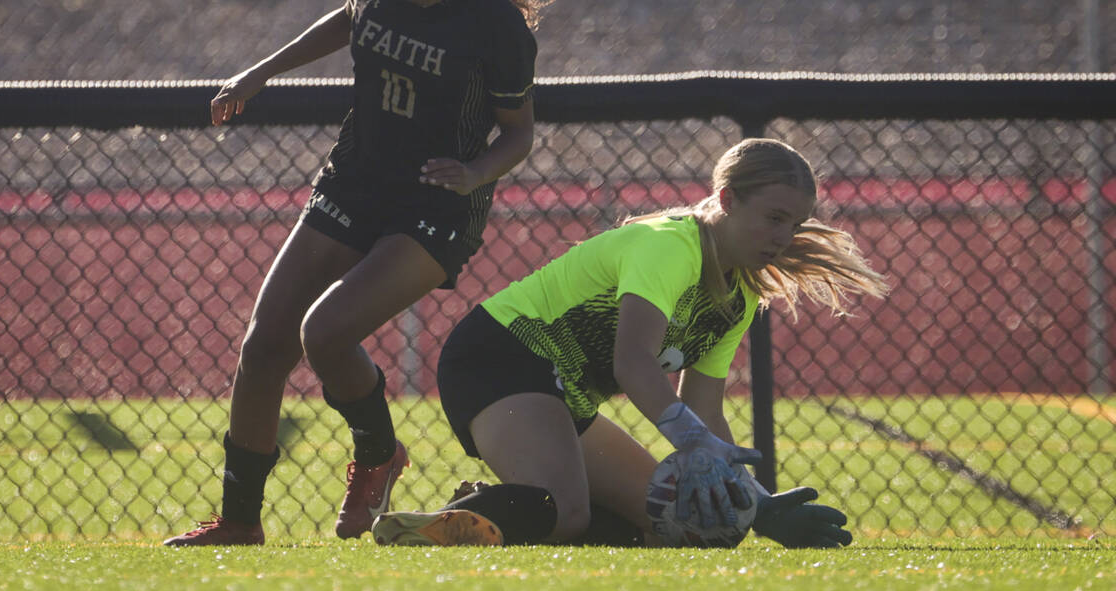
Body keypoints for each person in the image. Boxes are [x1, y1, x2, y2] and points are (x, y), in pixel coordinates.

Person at [165, 0, 543, 546]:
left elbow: (518, 135)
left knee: (326, 332)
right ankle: (240, 522)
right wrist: (261, 71)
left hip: (436, 200)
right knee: (265, 344)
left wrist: (475, 172)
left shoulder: (495, 22)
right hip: (354, 179)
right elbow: (352, 16)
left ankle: (377, 455)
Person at [370, 138, 890, 548]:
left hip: (563, 394)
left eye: (794, 225)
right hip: (501, 356)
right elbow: (633, 364)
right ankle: (463, 520)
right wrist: (698, 447)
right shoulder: (670, 247)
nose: (783, 237)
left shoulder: (741, 296)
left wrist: (758, 506)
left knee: (691, 528)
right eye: (774, 218)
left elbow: (702, 408)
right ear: (727, 200)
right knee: (568, 512)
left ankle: (495, 509)